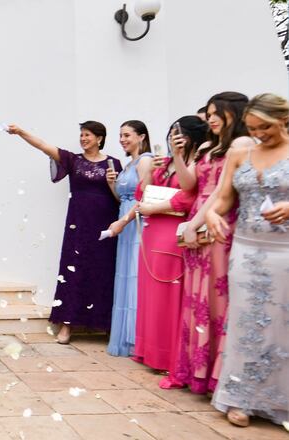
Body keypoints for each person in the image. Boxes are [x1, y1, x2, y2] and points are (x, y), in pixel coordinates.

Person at [206, 93, 289, 427]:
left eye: (265, 128)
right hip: (245, 250)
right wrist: (212, 214)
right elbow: (224, 198)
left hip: (284, 252)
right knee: (245, 323)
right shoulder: (240, 151)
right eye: (253, 128)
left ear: (283, 119)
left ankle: (280, 400)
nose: (259, 135)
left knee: (282, 325)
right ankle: (241, 399)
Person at [167, 92, 255, 393]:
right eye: (209, 112)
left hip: (220, 221)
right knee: (195, 297)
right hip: (198, 217)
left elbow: (221, 192)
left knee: (216, 298)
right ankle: (195, 370)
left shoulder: (242, 147)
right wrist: (177, 155)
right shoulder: (209, 146)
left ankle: (216, 374)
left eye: (216, 112)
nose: (211, 118)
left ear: (234, 113)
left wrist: (195, 224)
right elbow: (190, 184)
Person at [7, 121, 122, 344]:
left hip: (104, 225)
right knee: (73, 271)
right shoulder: (73, 159)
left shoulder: (113, 163)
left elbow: (120, 197)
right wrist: (21, 131)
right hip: (78, 225)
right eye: (81, 135)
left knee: (103, 271)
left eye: (87, 135)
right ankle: (67, 325)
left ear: (99, 138)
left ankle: (105, 325)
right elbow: (42, 145)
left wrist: (112, 184)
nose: (83, 138)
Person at [131, 116, 208, 372]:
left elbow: (189, 197)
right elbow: (142, 193)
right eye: (172, 133)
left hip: (172, 232)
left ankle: (168, 355)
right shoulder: (163, 163)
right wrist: (149, 173)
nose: (175, 138)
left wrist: (155, 207)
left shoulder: (196, 162)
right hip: (152, 231)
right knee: (149, 293)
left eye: (180, 134)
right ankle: (148, 351)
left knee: (168, 292)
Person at [105, 120, 153, 356]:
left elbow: (144, 196)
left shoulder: (145, 161)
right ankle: (125, 337)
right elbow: (122, 197)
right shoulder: (128, 164)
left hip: (136, 223)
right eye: (120, 135)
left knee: (136, 276)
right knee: (125, 276)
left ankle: (136, 340)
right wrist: (112, 184)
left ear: (141, 136)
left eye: (127, 135)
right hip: (124, 220)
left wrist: (124, 222)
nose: (122, 139)